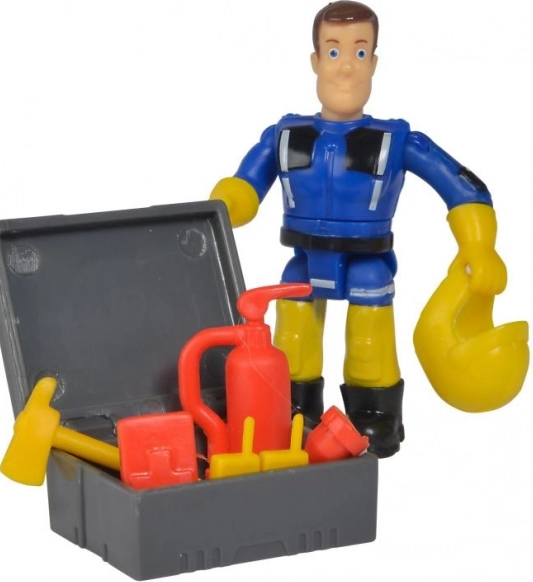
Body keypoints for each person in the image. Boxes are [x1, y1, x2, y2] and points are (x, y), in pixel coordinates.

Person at [209, 1, 507, 458]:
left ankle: (375, 411)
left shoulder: (397, 141)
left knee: (370, 332)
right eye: (333, 52)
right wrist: (225, 206)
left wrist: (479, 246)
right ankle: (293, 406)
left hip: (367, 259)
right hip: (305, 258)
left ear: (374, 62)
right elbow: (245, 185)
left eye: (360, 52)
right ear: (315, 60)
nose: (345, 66)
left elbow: (464, 190)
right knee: (293, 333)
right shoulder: (284, 136)